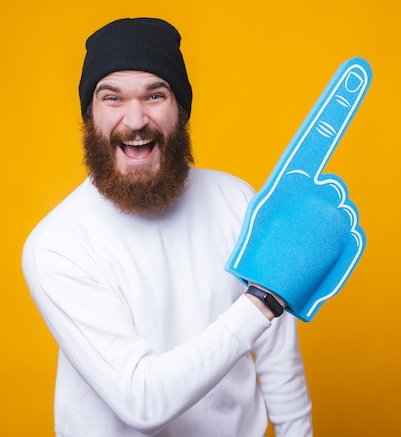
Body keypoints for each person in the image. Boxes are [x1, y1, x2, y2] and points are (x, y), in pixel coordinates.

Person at [22, 17, 312, 437]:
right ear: (90, 115)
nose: (135, 120)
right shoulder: (58, 244)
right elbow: (142, 399)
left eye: (155, 95)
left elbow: (277, 353)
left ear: (181, 110)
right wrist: (264, 301)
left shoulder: (237, 201)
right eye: (113, 98)